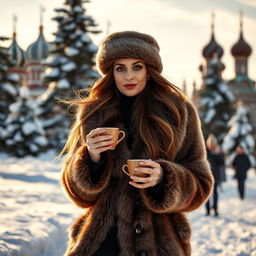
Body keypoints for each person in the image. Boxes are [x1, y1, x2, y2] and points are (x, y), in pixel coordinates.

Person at [60, 31, 214, 256]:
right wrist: (91, 158)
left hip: (159, 245)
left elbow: (201, 186)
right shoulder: (94, 112)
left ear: (149, 71)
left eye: (137, 67)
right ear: (111, 72)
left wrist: (164, 178)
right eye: (120, 68)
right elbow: (79, 196)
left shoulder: (178, 112)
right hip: (102, 242)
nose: (129, 76)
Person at [204, 134, 224, 217]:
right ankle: (208, 210)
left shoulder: (217, 152)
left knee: (215, 193)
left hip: (215, 176)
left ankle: (215, 209)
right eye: (210, 143)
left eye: (213, 144)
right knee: (207, 194)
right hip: (207, 176)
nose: (212, 145)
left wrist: (218, 154)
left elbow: (222, 163)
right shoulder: (205, 151)